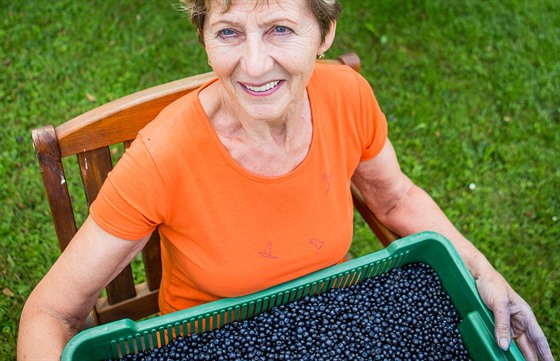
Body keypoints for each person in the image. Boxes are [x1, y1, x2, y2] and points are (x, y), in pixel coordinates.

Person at [18, 0, 553, 360]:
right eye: (228, 32)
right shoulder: (163, 156)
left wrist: (483, 268)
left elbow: (396, 199)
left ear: (325, 33)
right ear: (204, 36)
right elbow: (49, 311)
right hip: (211, 339)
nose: (253, 65)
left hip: (330, 314)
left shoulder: (347, 97)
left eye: (280, 29)